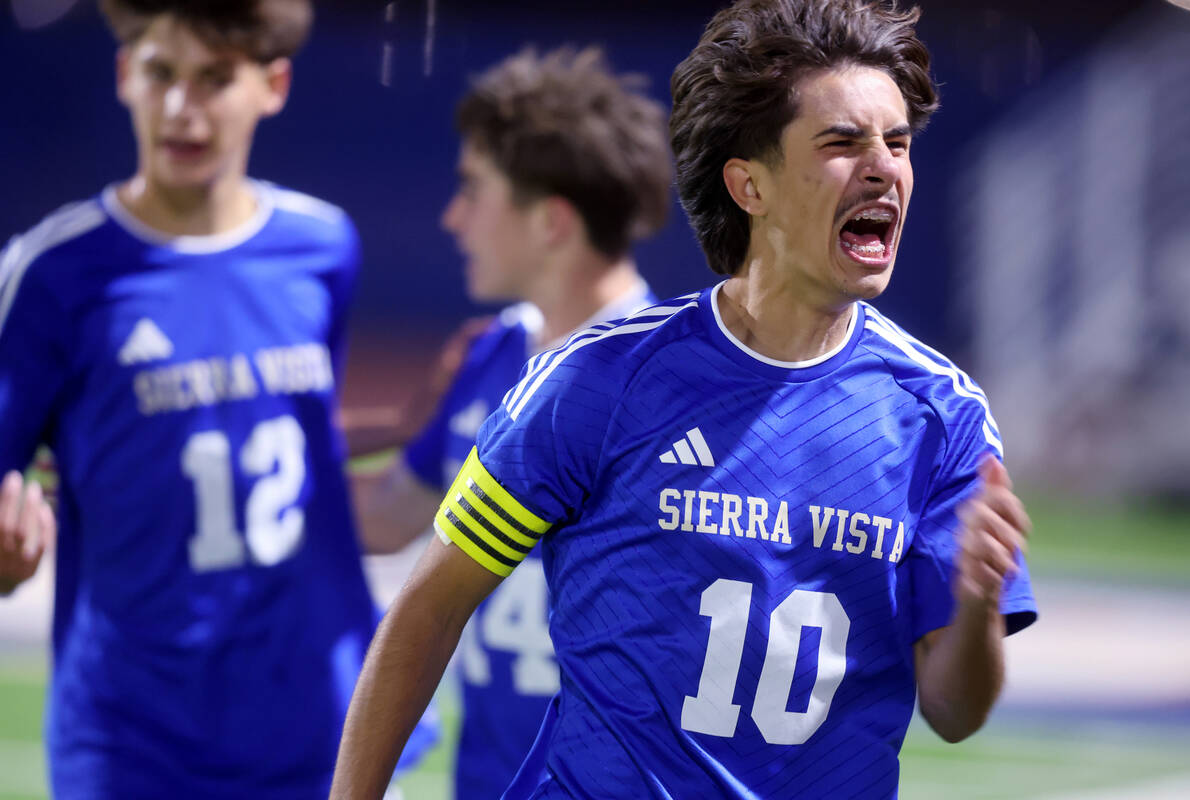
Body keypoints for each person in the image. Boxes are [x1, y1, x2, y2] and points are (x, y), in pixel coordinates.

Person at [331, 0, 1038, 797]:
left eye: (898, 142)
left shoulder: (943, 418)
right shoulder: (600, 381)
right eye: (842, 142)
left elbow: (953, 708)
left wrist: (977, 609)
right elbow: (427, 612)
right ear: (750, 184)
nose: (884, 166)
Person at [0, 1, 433, 796]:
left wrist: (398, 430)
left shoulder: (322, 246)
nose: (181, 108)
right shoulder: (52, 274)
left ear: (273, 85)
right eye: (162, 73)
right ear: (125, 75)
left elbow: (266, 423)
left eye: (214, 78)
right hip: (132, 739)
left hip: (315, 723)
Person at [351, 47, 670, 800]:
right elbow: (392, 514)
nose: (453, 217)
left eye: (474, 189)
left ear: (552, 220)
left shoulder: (671, 388)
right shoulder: (492, 356)